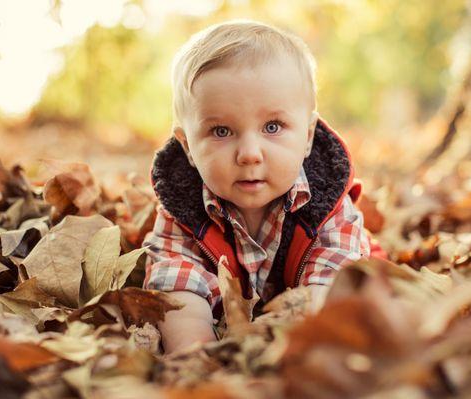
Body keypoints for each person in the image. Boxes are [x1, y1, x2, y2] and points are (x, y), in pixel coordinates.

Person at [142, 20, 378, 354]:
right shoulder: (183, 209)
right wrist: (195, 352)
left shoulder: (328, 208)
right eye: (222, 131)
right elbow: (177, 282)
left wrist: (295, 349)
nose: (250, 154)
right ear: (187, 147)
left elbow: (331, 283)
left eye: (272, 126)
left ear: (307, 136)